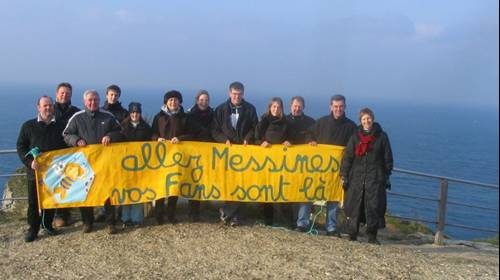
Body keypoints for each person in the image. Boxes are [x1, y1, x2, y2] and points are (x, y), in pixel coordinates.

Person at [63, 90, 123, 234]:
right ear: (85, 102)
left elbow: (120, 131)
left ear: (99, 100)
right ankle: (87, 222)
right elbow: (66, 134)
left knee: (107, 193)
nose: (93, 102)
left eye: (95, 100)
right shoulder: (77, 117)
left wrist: (110, 136)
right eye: (90, 100)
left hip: (105, 163)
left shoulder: (108, 116)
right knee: (85, 193)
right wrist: (76, 140)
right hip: (84, 164)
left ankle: (110, 223)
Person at [16, 96, 67, 242]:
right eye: (45, 105)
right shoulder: (28, 126)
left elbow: (67, 147)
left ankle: (47, 225)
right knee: (33, 202)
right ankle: (33, 229)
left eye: (50, 105)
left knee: (50, 200)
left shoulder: (61, 126)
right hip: (35, 172)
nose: (48, 108)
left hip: (54, 172)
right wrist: (29, 161)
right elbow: (21, 146)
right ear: (38, 107)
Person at [305, 94, 357, 237]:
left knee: (333, 198)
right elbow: (309, 133)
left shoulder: (351, 127)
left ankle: (331, 228)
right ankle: (302, 223)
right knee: (309, 193)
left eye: (341, 106)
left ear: (345, 107)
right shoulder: (321, 122)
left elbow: (355, 147)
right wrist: (311, 140)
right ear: (330, 107)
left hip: (338, 170)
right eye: (335, 106)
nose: (338, 109)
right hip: (319, 169)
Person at [341, 108, 393, 244]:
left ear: (373, 119)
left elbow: (388, 157)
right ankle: (352, 234)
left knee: (373, 207)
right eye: (364, 119)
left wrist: (386, 174)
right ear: (361, 121)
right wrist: (344, 175)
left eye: (368, 118)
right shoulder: (355, 137)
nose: (366, 121)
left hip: (375, 178)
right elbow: (348, 157)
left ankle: (372, 236)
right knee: (354, 206)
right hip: (356, 178)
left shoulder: (382, 137)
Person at [211, 81, 258, 226]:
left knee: (242, 184)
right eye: (234, 93)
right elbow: (214, 130)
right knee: (229, 183)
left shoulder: (250, 109)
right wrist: (224, 140)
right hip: (226, 154)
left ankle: (232, 215)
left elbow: (254, 127)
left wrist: (247, 139)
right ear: (229, 93)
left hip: (244, 154)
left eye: (239, 94)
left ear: (243, 94)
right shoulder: (220, 110)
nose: (237, 96)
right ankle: (228, 213)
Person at [151, 90, 195, 225]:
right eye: (170, 100)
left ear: (180, 102)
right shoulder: (158, 117)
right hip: (161, 158)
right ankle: (159, 215)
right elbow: (152, 133)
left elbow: (192, 134)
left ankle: (171, 215)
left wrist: (180, 138)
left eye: (176, 100)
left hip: (177, 158)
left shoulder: (186, 117)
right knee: (160, 186)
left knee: (174, 187)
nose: (173, 102)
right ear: (166, 102)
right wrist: (157, 138)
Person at [254, 97, 294, 227]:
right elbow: (256, 138)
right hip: (265, 162)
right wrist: (261, 142)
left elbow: (291, 137)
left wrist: (289, 142)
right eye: (273, 107)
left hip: (281, 163)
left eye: (278, 107)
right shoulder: (264, 120)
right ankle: (268, 220)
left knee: (282, 190)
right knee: (267, 190)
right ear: (270, 108)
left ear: (282, 108)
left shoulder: (286, 122)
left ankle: (288, 221)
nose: (276, 109)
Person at [284, 96, 316, 231]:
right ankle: (290, 221)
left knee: (305, 192)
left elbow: (314, 137)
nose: (297, 108)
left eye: (299, 106)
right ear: (290, 106)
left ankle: (302, 223)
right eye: (295, 106)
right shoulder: (283, 120)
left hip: (305, 165)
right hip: (286, 164)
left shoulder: (311, 122)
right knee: (288, 192)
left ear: (303, 107)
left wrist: (312, 142)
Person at [53, 82, 80, 228]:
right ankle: (54, 215)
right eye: (62, 93)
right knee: (54, 183)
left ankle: (66, 214)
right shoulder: (50, 109)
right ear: (56, 94)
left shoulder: (76, 111)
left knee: (69, 184)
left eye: (67, 93)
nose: (65, 95)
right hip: (53, 153)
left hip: (71, 153)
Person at [120, 102, 152, 227]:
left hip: (140, 165)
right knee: (126, 190)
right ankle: (125, 218)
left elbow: (150, 143)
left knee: (138, 191)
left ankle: (137, 218)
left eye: (137, 112)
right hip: (125, 165)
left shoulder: (146, 127)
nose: (135, 115)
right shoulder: (122, 126)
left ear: (140, 113)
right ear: (129, 113)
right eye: (132, 112)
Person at [187, 90, 214, 221]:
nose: (204, 102)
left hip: (209, 152)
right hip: (194, 152)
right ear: (197, 100)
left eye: (206, 100)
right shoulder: (190, 114)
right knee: (194, 180)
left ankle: (207, 206)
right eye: (202, 99)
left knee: (206, 179)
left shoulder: (213, 114)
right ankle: (193, 211)